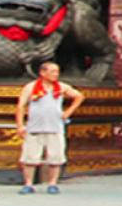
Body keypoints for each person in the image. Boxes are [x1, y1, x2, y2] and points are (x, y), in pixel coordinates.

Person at [15, 61, 82, 194]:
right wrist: (20, 125)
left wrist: (68, 112)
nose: (55, 74)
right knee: (30, 158)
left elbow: (79, 96)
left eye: (57, 72)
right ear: (42, 72)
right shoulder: (31, 87)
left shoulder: (61, 87)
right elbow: (21, 106)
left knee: (55, 158)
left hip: (55, 127)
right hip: (34, 127)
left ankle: (52, 183)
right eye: (52, 71)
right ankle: (28, 184)